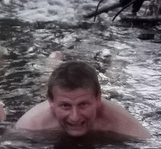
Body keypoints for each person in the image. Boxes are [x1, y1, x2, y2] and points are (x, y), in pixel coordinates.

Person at [15, 59, 148, 140]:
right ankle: (53, 61)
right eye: (65, 106)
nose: (75, 117)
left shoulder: (124, 125)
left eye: (83, 104)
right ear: (51, 102)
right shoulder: (30, 125)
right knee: (43, 83)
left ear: (98, 99)